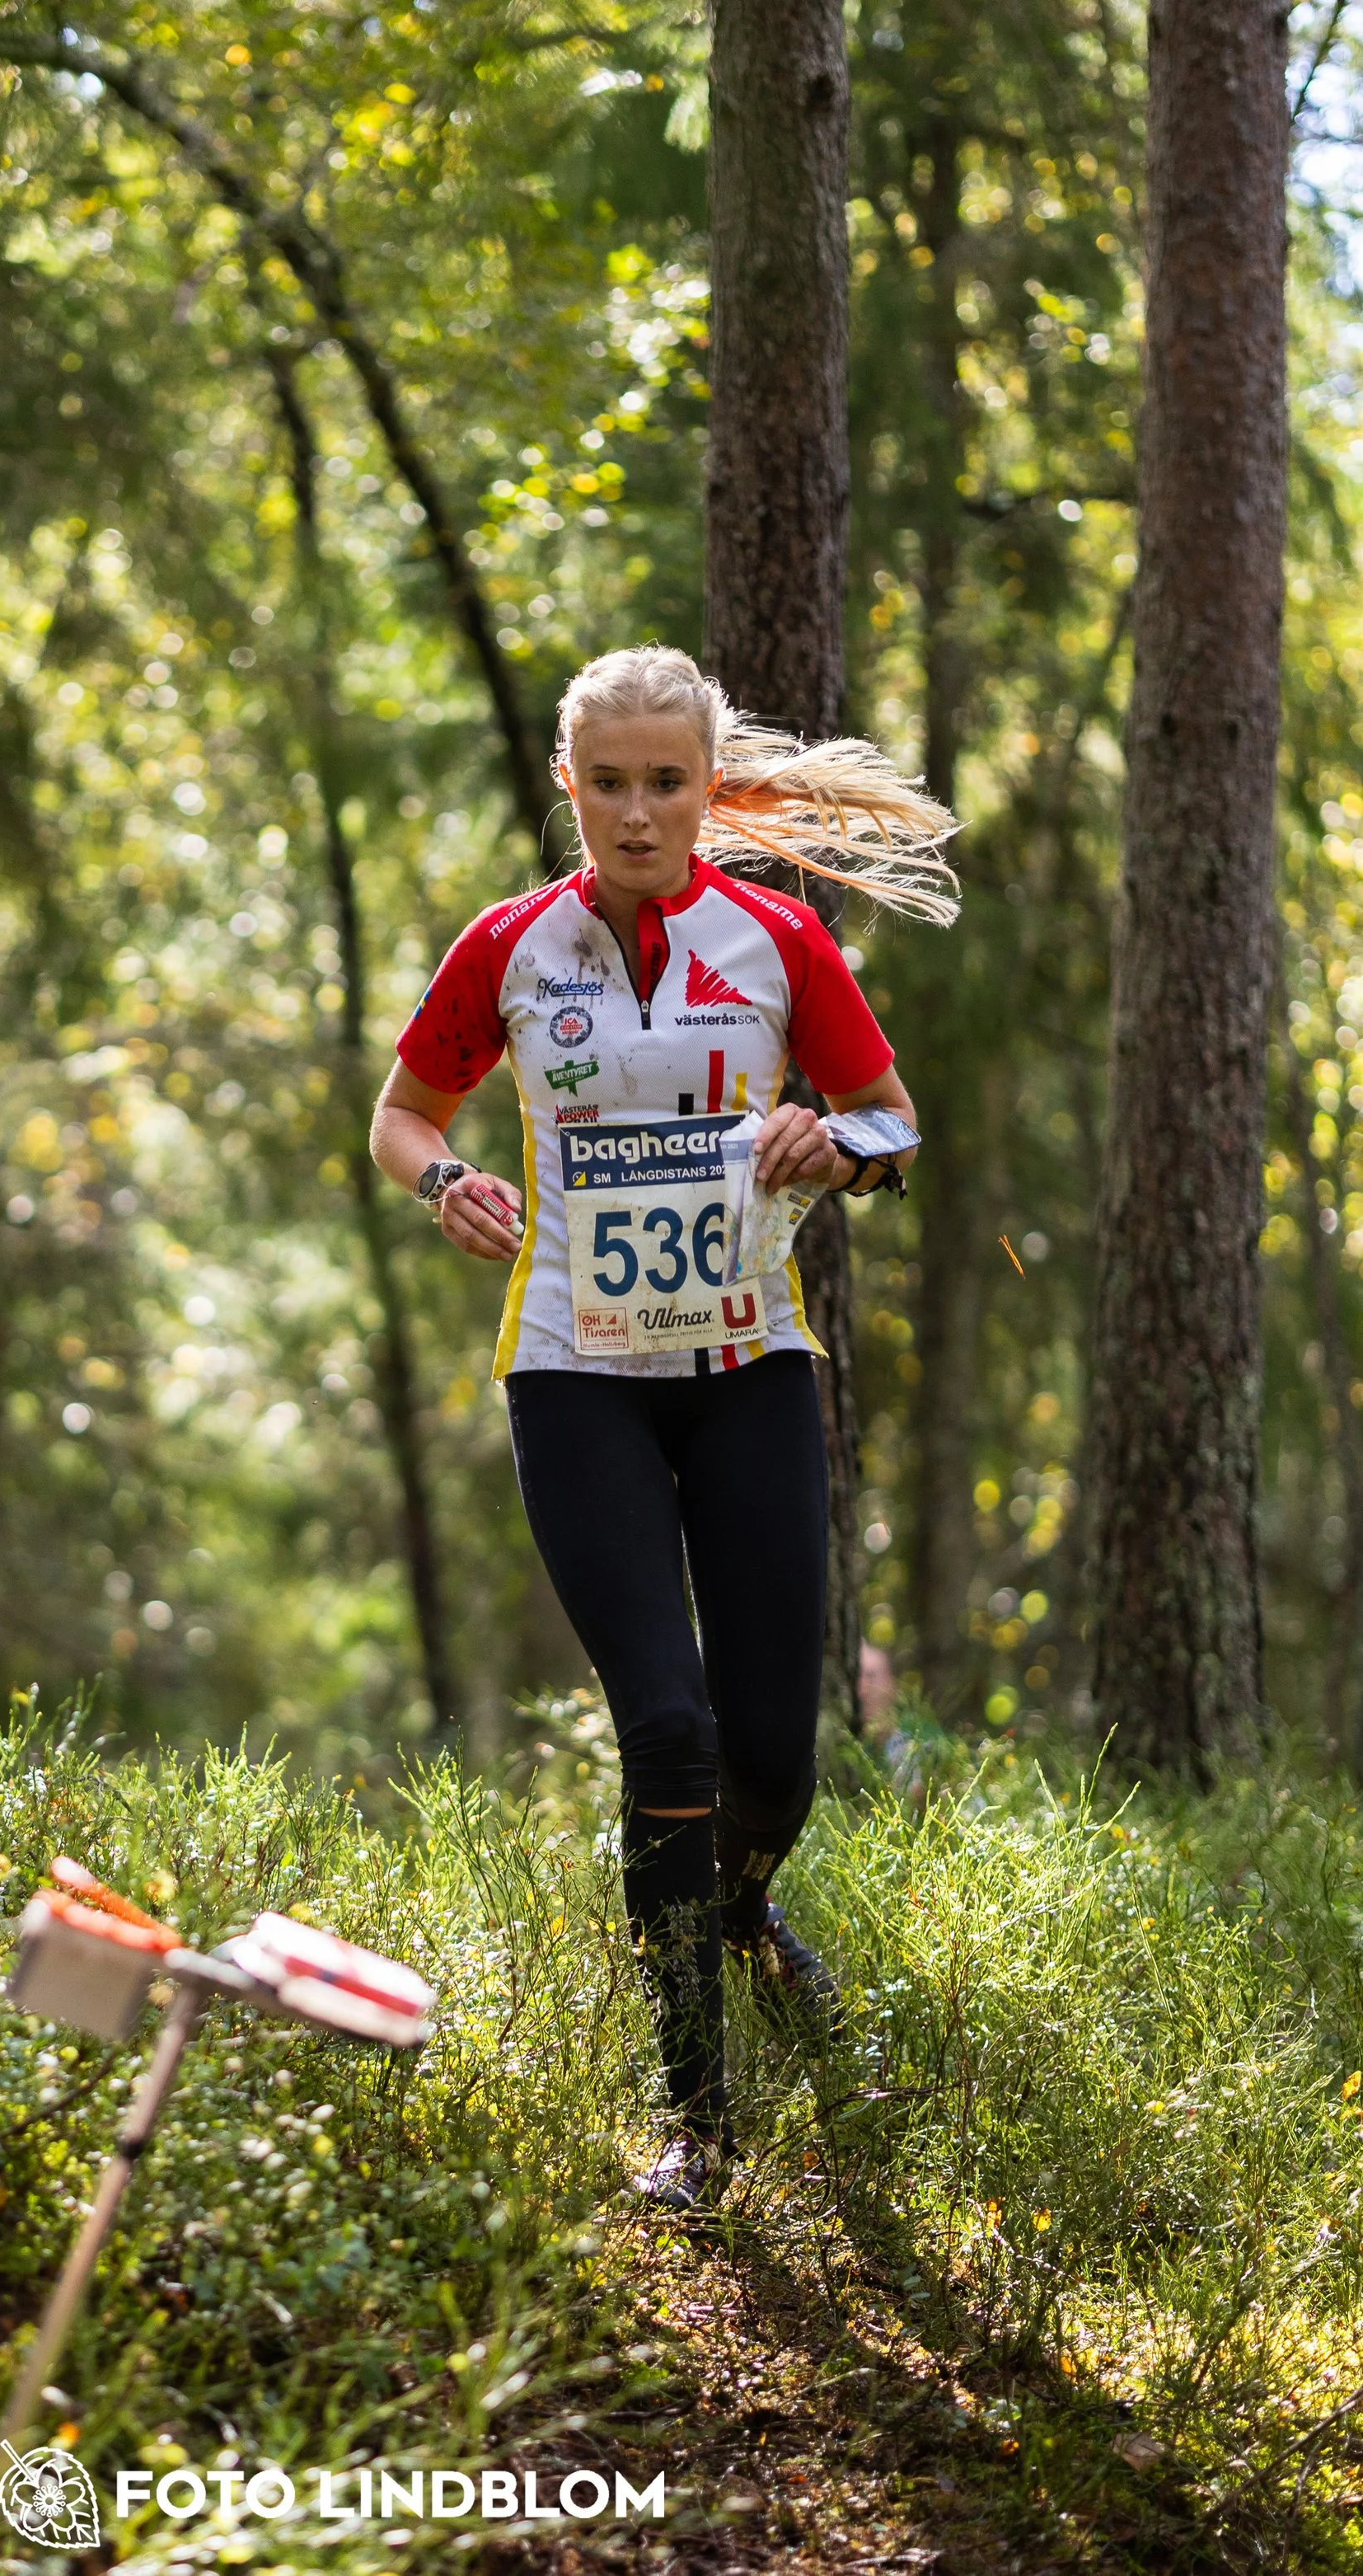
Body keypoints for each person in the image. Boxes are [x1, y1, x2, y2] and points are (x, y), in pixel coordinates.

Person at [370, 645, 957, 2212]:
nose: (637, 814)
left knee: (773, 1761)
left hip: (755, 1369)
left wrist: (833, 1141)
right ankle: (697, 2118)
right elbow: (400, 1112)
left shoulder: (775, 939)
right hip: (573, 1374)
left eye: (667, 783)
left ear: (710, 788)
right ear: (568, 782)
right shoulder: (508, 946)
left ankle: (749, 1910)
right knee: (672, 1733)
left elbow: (896, 1117)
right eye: (609, 783)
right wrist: (447, 1183)